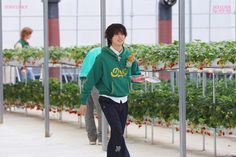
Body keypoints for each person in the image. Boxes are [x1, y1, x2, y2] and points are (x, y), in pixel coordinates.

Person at [80, 23, 141, 157]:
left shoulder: (129, 56)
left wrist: (137, 80)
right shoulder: (102, 58)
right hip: (107, 99)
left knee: (117, 133)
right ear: (109, 37)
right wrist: (83, 100)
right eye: (116, 34)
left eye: (122, 34)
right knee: (117, 131)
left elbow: (135, 73)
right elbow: (91, 79)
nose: (120, 37)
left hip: (123, 99)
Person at [79, 47, 102, 145]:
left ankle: (92, 138)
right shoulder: (106, 52)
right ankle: (102, 137)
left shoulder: (92, 51)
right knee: (102, 110)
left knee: (88, 110)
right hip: (95, 80)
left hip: (84, 79)